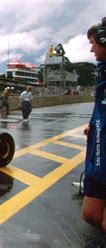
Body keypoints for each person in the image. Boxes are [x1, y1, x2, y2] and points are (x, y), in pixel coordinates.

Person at [81, 17, 106, 233]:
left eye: (93, 43)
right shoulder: (102, 72)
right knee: (91, 214)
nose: (91, 49)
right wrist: (94, 125)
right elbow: (100, 106)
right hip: (99, 146)